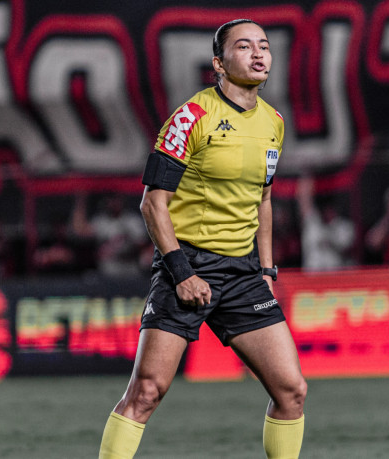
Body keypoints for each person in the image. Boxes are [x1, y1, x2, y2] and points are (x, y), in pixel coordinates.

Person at [98, 19, 306, 458]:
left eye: (264, 46)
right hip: (188, 264)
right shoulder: (191, 117)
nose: (258, 53)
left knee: (292, 392)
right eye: (244, 46)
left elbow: (263, 199)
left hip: (243, 273)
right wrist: (182, 273)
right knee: (146, 391)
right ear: (219, 63)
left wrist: (266, 270)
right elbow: (152, 203)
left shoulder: (273, 122)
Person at [296, 174, 355, 270]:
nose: (327, 212)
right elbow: (305, 203)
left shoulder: (344, 227)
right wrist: (306, 174)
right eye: (325, 208)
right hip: (312, 274)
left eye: (330, 208)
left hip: (336, 273)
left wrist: (329, 239)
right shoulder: (313, 223)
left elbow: (346, 247)